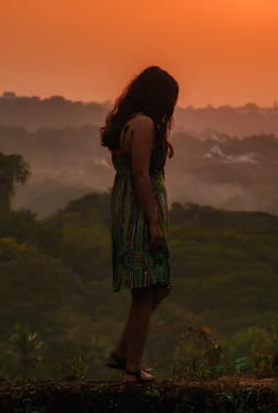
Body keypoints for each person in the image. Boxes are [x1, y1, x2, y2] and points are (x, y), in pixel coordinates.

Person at [99, 66, 179, 383]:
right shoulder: (144, 125)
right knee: (146, 290)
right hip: (138, 213)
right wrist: (154, 223)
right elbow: (140, 174)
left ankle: (121, 352)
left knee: (157, 285)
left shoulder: (130, 123)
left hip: (129, 208)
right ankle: (133, 367)